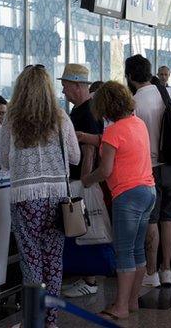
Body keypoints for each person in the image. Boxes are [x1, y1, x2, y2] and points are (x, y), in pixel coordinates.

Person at [0, 65, 80, 327]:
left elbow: (3, 160)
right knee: (54, 261)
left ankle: (33, 321)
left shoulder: (12, 119)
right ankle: (51, 321)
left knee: (31, 260)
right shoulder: (61, 117)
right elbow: (76, 156)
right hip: (57, 199)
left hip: (25, 199)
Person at [82, 81, 156, 321]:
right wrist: (92, 139)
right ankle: (132, 300)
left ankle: (121, 306)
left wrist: (86, 180)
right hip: (148, 191)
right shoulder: (138, 124)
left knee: (123, 251)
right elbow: (121, 147)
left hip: (128, 195)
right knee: (136, 250)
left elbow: (105, 170)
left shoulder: (114, 131)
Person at [126, 55, 171, 288]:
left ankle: (151, 272)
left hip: (148, 168)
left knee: (151, 220)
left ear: (129, 76)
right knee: (169, 219)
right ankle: (167, 269)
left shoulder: (134, 102)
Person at [59, 64, 103, 298]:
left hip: (82, 179)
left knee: (86, 229)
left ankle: (90, 279)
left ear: (77, 86)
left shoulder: (87, 112)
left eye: (66, 86)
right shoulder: (80, 109)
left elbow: (89, 150)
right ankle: (87, 276)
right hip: (79, 177)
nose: (63, 91)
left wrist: (83, 183)